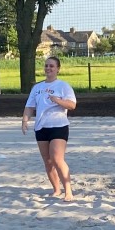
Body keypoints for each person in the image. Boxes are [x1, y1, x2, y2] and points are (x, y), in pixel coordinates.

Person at [22, 55, 77, 201]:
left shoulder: (63, 86)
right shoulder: (37, 88)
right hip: (41, 126)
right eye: (46, 65)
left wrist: (58, 100)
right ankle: (56, 189)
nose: (48, 68)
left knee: (57, 158)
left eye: (51, 66)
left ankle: (68, 191)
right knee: (47, 160)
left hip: (58, 125)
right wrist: (25, 120)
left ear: (58, 69)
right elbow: (29, 106)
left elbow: (72, 105)